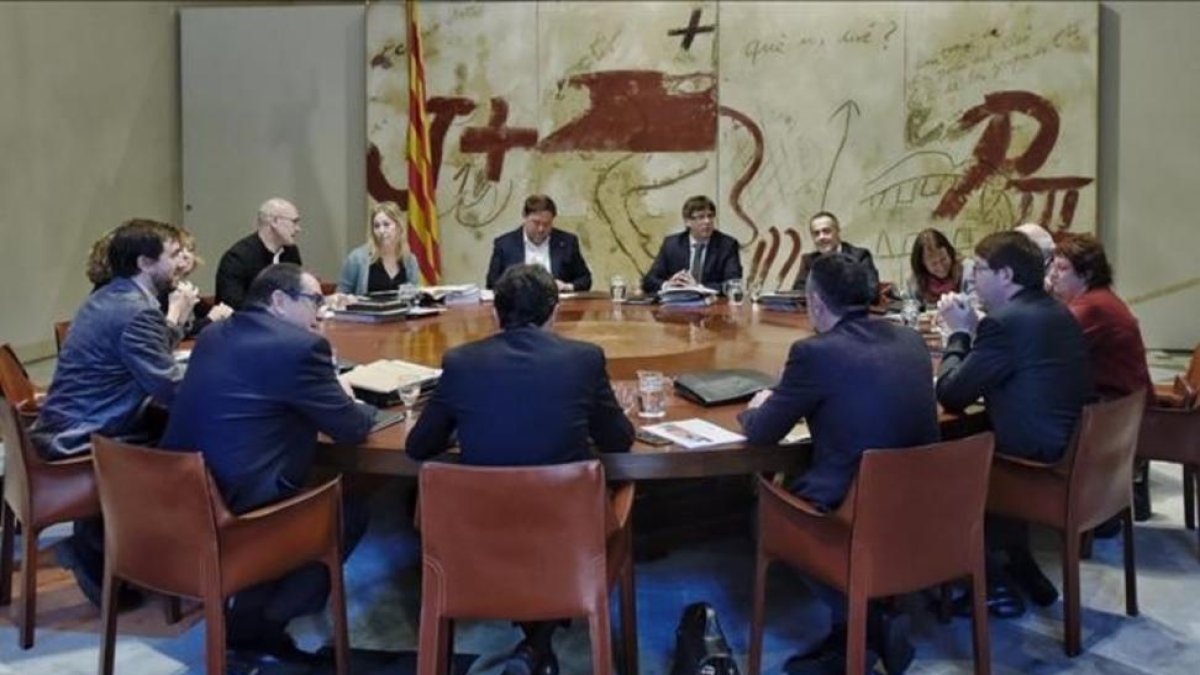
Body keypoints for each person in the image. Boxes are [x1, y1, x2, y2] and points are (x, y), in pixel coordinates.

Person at [407, 264, 633, 675]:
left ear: (496, 314)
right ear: (554, 314)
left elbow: (418, 446)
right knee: (601, 503)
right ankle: (536, 647)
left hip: (475, 533)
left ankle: (534, 648)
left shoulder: (460, 362)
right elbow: (618, 440)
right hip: (567, 533)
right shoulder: (584, 360)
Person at [161, 263, 377, 665]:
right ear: (279, 301)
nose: (322, 309)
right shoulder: (299, 348)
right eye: (314, 300)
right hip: (238, 510)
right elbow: (350, 429)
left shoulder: (213, 335)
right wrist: (352, 395)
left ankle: (249, 612)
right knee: (352, 509)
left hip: (180, 498)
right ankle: (262, 623)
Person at [739, 253, 937, 675]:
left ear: (814, 301)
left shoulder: (815, 353)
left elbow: (761, 435)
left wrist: (757, 406)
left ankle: (866, 624)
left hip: (856, 508)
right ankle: (859, 626)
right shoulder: (911, 340)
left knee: (764, 511)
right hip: (926, 503)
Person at [30, 218, 192, 608]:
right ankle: (167, 561)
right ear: (144, 263)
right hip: (84, 436)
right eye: (171, 256)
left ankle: (110, 548)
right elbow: (170, 388)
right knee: (193, 448)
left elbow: (146, 356)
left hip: (62, 424)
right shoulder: (135, 311)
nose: (180, 264)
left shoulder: (110, 297)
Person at [936, 231, 1090, 618]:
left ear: (1005, 275)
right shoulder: (1055, 311)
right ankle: (1021, 568)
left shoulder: (1005, 324)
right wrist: (974, 333)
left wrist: (957, 334)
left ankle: (992, 585)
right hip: (1077, 456)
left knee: (939, 469)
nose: (972, 277)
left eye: (980, 270)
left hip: (1038, 466)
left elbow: (953, 394)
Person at [1048, 232, 1154, 521]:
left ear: (1087, 273)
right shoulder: (1099, 298)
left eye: (1061, 269)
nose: (1052, 276)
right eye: (1052, 267)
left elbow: (1049, 350)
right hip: (1123, 408)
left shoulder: (1091, 306)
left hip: (1111, 413)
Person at [87, 225, 233, 337]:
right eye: (175, 254)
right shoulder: (128, 303)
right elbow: (156, 351)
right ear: (143, 262)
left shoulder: (115, 294)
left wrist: (180, 319)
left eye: (189, 250)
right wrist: (177, 314)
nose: (182, 258)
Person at [485, 194, 592, 292]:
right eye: (536, 223)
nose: (541, 229)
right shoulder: (504, 244)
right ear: (525, 216)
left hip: (558, 306)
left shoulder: (567, 242)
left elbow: (585, 279)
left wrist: (566, 286)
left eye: (547, 224)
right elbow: (492, 283)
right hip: (516, 308)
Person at [641, 195, 743, 294]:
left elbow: (733, 284)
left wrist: (698, 287)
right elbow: (648, 281)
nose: (707, 221)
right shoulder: (672, 244)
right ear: (687, 222)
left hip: (714, 306)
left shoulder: (727, 245)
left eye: (710, 216)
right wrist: (669, 285)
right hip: (678, 306)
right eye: (701, 217)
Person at [216, 197, 303, 309]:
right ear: (275, 222)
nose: (298, 229)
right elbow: (233, 308)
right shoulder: (237, 258)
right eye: (294, 222)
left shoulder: (291, 253)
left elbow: (297, 294)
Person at [337, 202, 421, 294]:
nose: (381, 231)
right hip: (366, 308)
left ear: (398, 226)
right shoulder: (357, 258)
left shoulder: (409, 260)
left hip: (401, 308)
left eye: (386, 225)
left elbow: (414, 296)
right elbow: (341, 294)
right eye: (376, 226)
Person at [791, 211, 879, 296]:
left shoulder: (860, 256)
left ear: (837, 231)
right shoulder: (809, 260)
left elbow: (870, 291)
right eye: (816, 233)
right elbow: (798, 292)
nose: (821, 237)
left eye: (826, 231)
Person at [906, 228, 973, 309]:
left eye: (944, 259)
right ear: (923, 265)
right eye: (933, 264)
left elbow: (977, 302)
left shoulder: (967, 269)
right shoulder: (915, 282)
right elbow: (910, 308)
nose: (941, 267)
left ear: (949, 253)